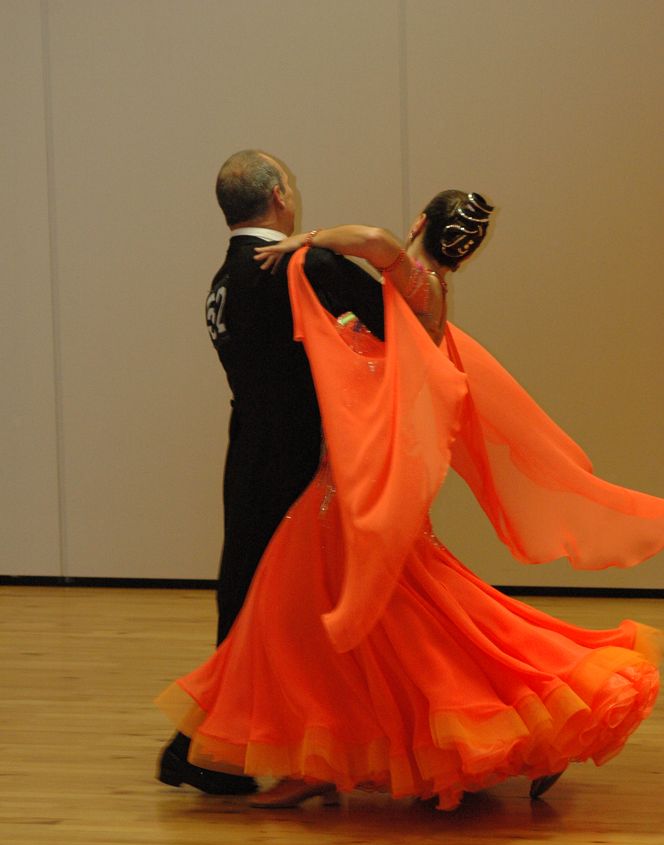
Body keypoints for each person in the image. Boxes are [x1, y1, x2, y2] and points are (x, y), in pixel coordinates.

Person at [156, 190, 663, 810]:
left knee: (368, 610)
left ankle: (513, 724)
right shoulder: (419, 293)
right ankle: (340, 750)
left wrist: (307, 239)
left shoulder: (413, 281)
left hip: (355, 482)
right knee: (398, 614)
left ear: (422, 224)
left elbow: (374, 241)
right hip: (360, 476)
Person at [157, 150, 385, 795]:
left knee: (247, 598)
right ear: (281, 195)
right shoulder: (301, 265)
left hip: (250, 453)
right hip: (304, 461)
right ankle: (218, 747)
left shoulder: (222, 281)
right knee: (303, 606)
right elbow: (396, 319)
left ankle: (210, 747)